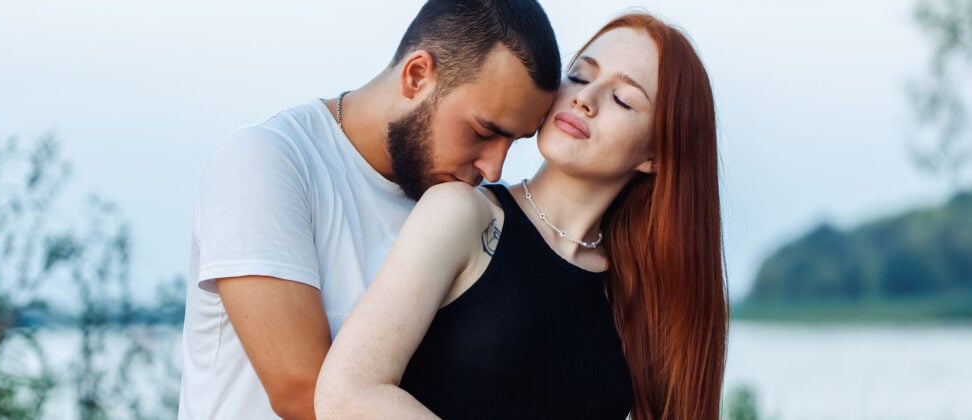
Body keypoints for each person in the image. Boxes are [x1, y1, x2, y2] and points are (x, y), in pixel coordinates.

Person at [314, 11, 729, 420]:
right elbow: (348, 393)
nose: (585, 99)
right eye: (580, 76)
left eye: (622, 99)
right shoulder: (463, 214)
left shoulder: (636, 292)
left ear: (656, 155)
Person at [177, 1, 561, 418]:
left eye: (514, 143)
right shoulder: (266, 161)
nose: (493, 168)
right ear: (417, 76)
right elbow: (304, 393)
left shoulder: (466, 210)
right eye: (483, 132)